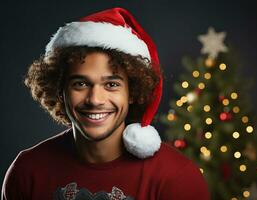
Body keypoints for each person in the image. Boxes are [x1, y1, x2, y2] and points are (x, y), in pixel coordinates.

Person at [1, 7, 210, 200]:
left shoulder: (176, 178)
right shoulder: (27, 171)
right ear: (60, 90)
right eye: (80, 83)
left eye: (111, 84)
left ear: (132, 92)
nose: (95, 99)